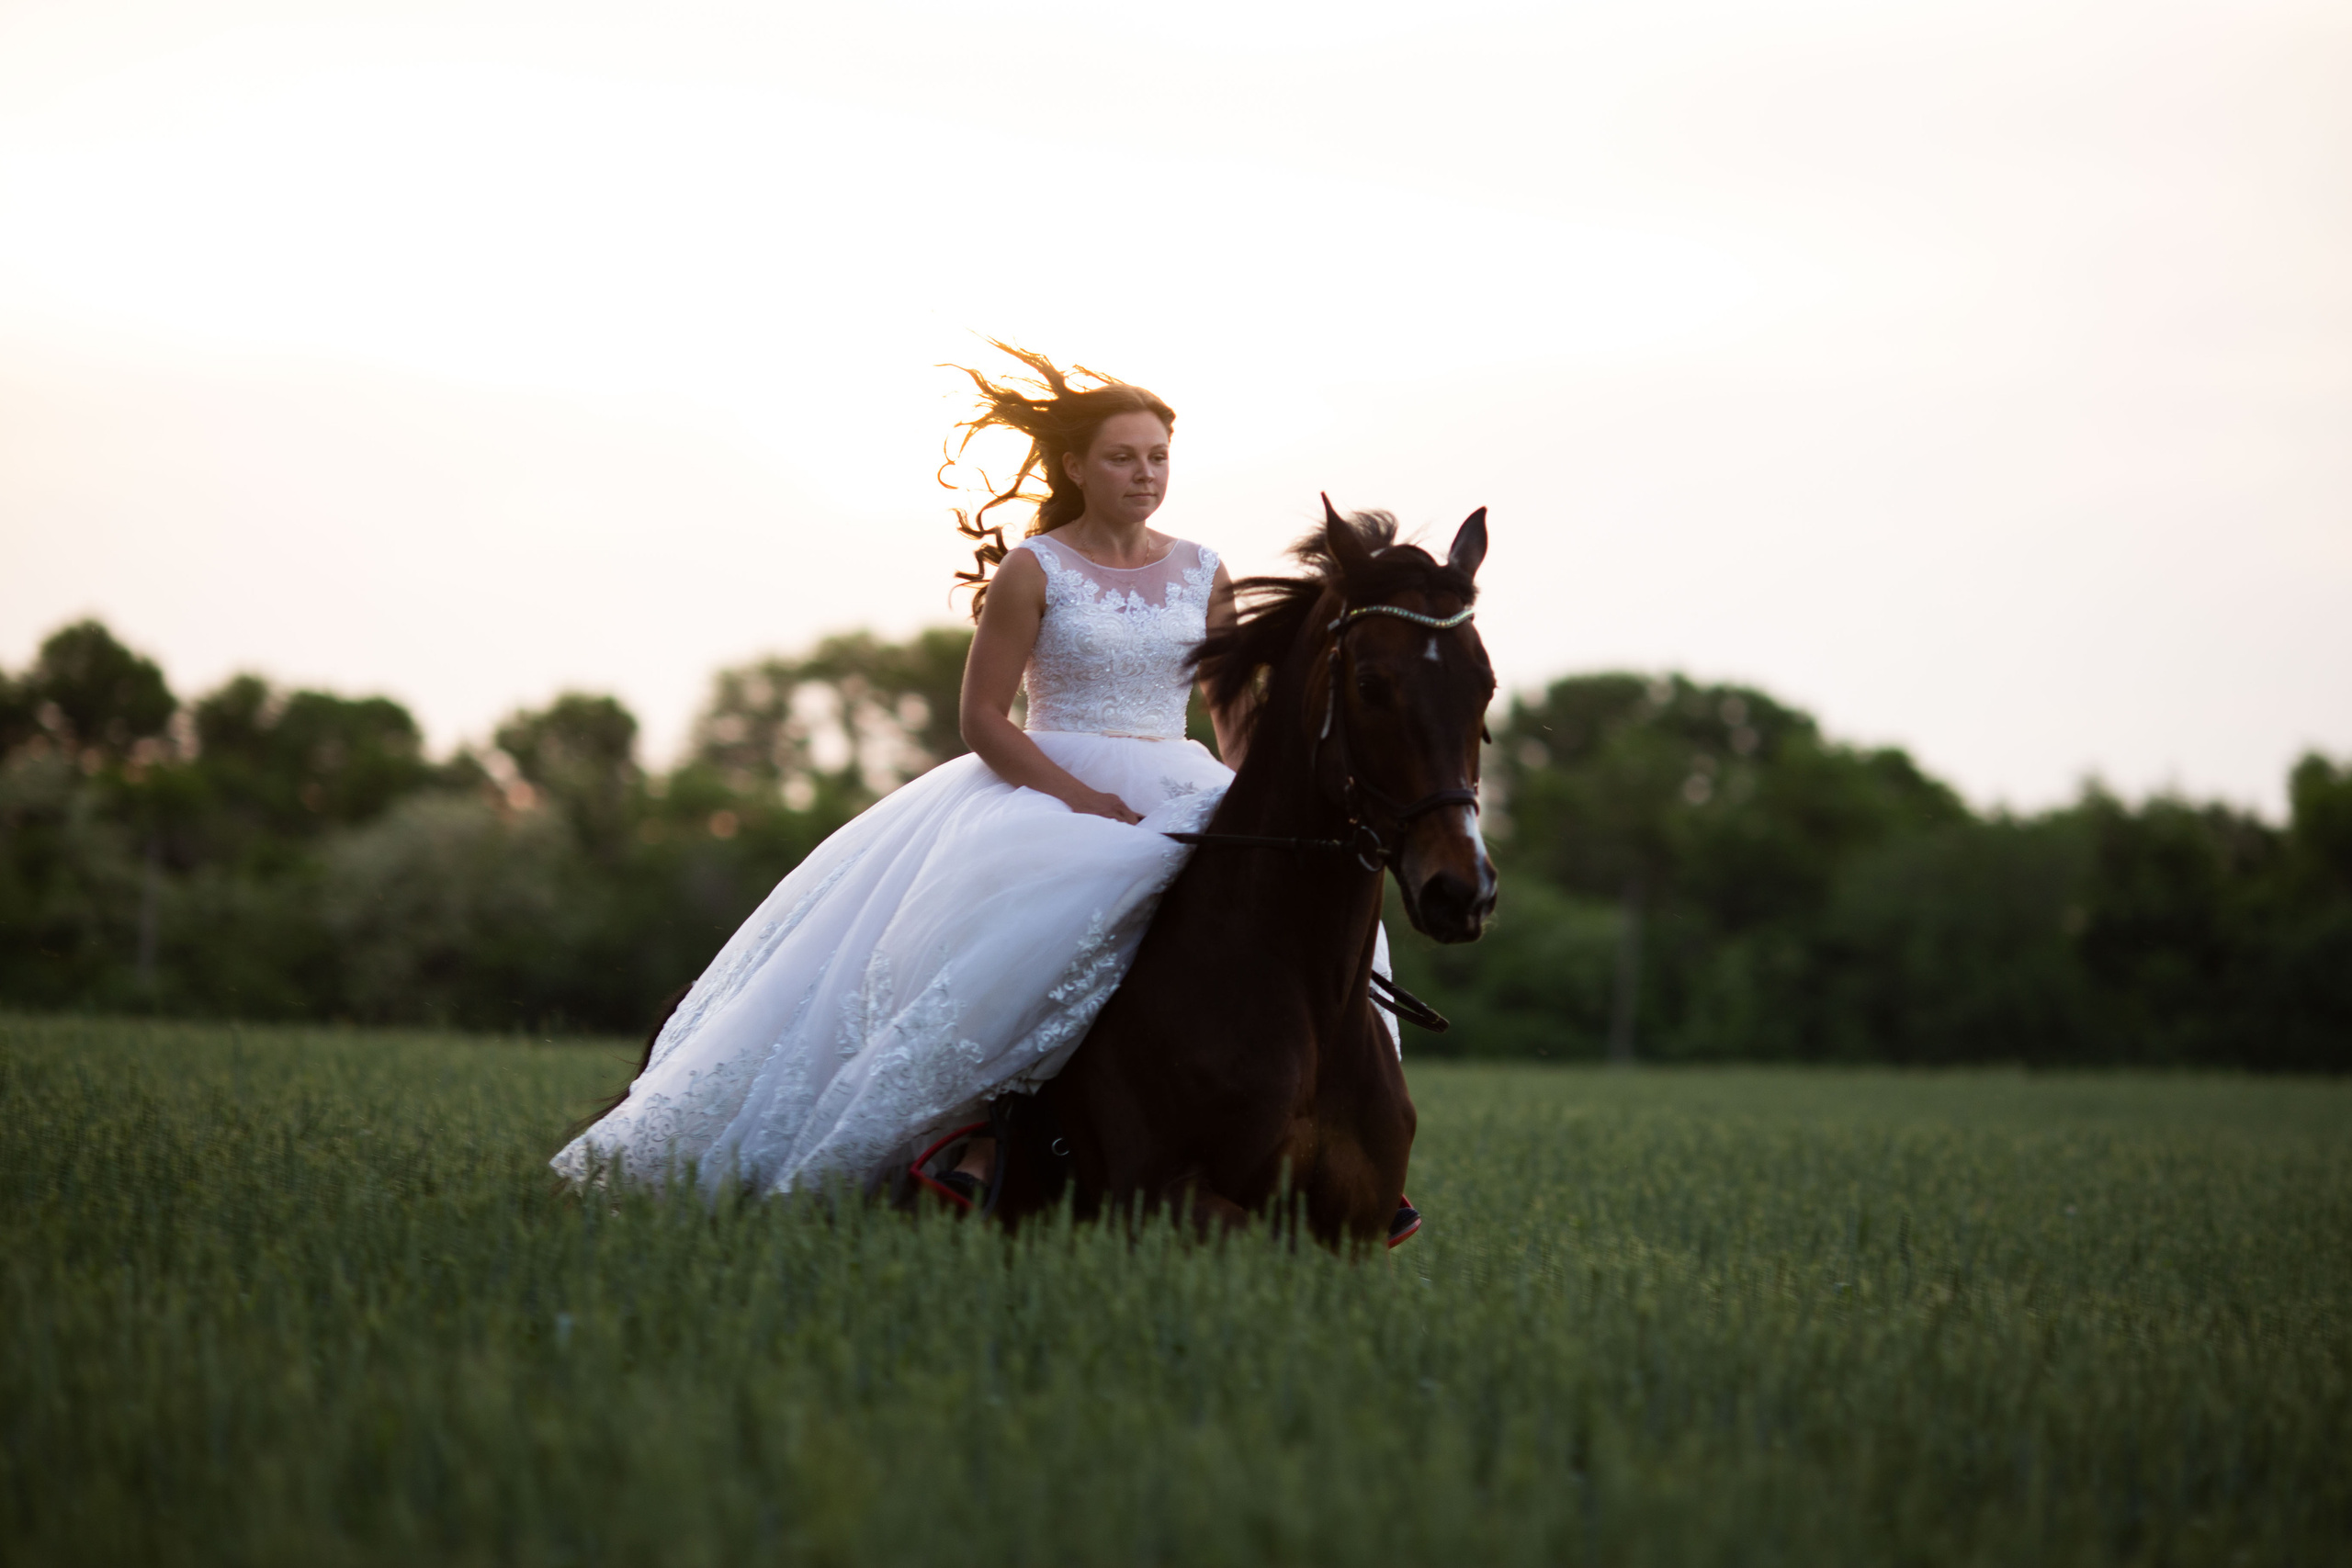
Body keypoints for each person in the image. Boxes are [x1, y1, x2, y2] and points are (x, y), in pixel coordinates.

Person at [551, 345, 1247, 1198]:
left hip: (1181, 780)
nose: (1145, 475)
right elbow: (982, 718)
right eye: (1122, 457)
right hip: (1051, 783)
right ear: (1075, 466)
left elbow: (1233, 712)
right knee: (1030, 939)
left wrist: (1251, 793)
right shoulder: (1036, 568)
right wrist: (1083, 803)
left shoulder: (1204, 571)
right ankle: (982, 1133)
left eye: (1158, 457)